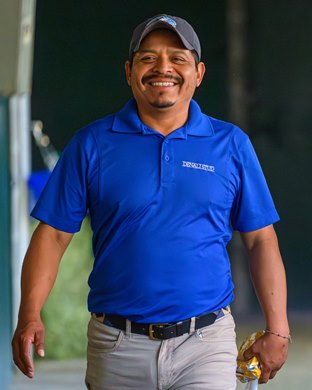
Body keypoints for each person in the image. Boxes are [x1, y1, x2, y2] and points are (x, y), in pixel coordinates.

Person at [12, 14, 290, 390]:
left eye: (178, 58)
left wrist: (279, 330)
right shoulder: (91, 144)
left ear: (199, 72)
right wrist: (29, 314)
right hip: (116, 346)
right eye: (148, 58)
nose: (163, 68)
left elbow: (260, 239)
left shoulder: (231, 145)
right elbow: (53, 236)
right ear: (129, 72)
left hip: (205, 344)